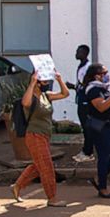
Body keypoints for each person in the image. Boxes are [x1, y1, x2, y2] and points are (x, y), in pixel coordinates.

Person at [10, 71, 70, 206]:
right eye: (44, 82)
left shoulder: (46, 96)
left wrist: (60, 79)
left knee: (39, 165)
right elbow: (25, 103)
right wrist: (32, 83)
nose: (47, 84)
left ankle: (17, 186)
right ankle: (52, 198)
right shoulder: (31, 97)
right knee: (46, 166)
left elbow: (65, 94)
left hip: (44, 136)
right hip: (34, 135)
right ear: (37, 83)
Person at [83, 63, 110, 198]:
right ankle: (103, 188)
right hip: (102, 128)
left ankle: (100, 177)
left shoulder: (105, 88)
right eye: (104, 73)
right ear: (97, 76)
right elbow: (101, 107)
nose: (107, 75)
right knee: (104, 156)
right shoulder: (93, 90)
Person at [66, 44, 95, 163]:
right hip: (81, 99)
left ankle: (89, 152)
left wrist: (74, 86)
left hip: (86, 101)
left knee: (87, 127)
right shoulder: (81, 66)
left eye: (79, 52)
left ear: (85, 53)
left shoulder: (88, 68)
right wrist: (74, 87)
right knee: (85, 127)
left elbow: (86, 85)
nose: (76, 54)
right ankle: (86, 149)